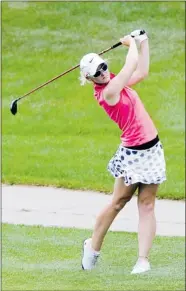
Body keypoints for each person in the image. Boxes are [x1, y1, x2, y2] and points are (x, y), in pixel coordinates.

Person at [79, 29, 166, 274]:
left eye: (103, 66)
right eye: (97, 72)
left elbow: (142, 71)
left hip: (152, 150)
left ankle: (142, 260)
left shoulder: (114, 81)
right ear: (90, 79)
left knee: (147, 204)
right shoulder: (108, 92)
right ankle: (92, 247)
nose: (103, 72)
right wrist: (130, 44)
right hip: (134, 153)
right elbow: (132, 64)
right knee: (118, 202)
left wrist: (143, 41)